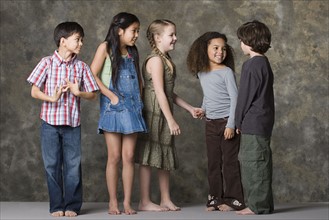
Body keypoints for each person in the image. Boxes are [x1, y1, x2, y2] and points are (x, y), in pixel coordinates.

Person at [27, 22, 99, 217]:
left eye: (82, 40)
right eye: (78, 39)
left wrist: (79, 92)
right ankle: (57, 206)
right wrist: (52, 98)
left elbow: (93, 94)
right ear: (63, 41)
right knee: (51, 165)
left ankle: (72, 206)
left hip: (72, 124)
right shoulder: (46, 63)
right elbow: (34, 90)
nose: (81, 43)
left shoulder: (81, 67)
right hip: (49, 123)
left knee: (73, 166)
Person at [135, 19, 203, 212]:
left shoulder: (166, 60)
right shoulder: (155, 60)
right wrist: (171, 120)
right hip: (154, 113)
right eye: (171, 35)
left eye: (175, 34)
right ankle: (145, 200)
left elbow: (169, 92)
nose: (175, 38)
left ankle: (165, 198)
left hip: (163, 112)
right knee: (148, 157)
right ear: (157, 38)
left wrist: (189, 108)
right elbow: (158, 92)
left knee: (164, 155)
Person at [90, 12, 147, 215]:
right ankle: (113, 202)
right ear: (120, 30)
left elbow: (139, 79)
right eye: (134, 30)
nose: (136, 35)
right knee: (114, 157)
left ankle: (128, 203)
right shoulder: (105, 48)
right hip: (112, 107)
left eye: (138, 31)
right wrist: (110, 95)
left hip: (132, 107)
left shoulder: (133, 51)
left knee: (129, 156)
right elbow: (91, 74)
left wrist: (140, 100)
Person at [186, 32, 245, 212]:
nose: (220, 52)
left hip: (227, 122)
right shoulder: (202, 73)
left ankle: (234, 199)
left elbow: (235, 99)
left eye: (224, 49)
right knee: (213, 162)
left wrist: (231, 125)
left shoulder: (226, 72)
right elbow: (208, 96)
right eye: (216, 48)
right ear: (205, 50)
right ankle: (215, 198)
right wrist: (203, 109)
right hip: (210, 123)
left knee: (230, 163)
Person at [235, 20, 275, 215]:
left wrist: (237, 121)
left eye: (241, 40)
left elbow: (245, 96)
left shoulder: (251, 65)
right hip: (264, 121)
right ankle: (264, 204)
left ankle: (256, 205)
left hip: (253, 122)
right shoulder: (264, 63)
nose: (240, 44)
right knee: (261, 162)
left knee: (253, 164)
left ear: (249, 42)